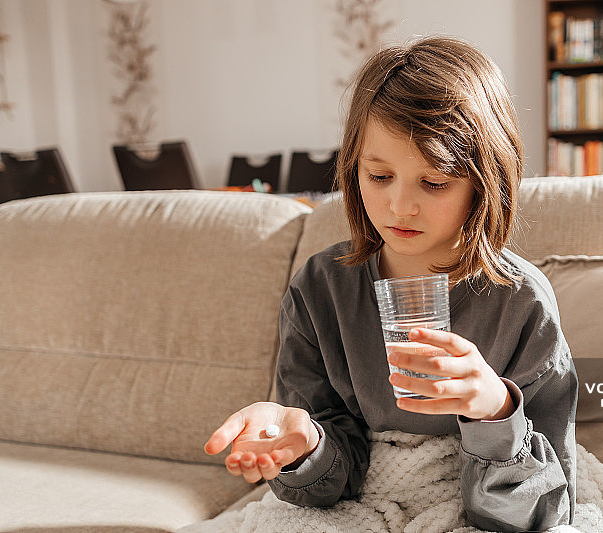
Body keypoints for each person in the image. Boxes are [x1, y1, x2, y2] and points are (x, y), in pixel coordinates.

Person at [204, 36, 577, 532]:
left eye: (435, 183)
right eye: (379, 176)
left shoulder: (520, 303)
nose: (400, 207)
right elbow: (330, 477)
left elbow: (545, 505)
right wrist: (306, 447)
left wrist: (495, 410)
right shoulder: (321, 290)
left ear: (486, 182)